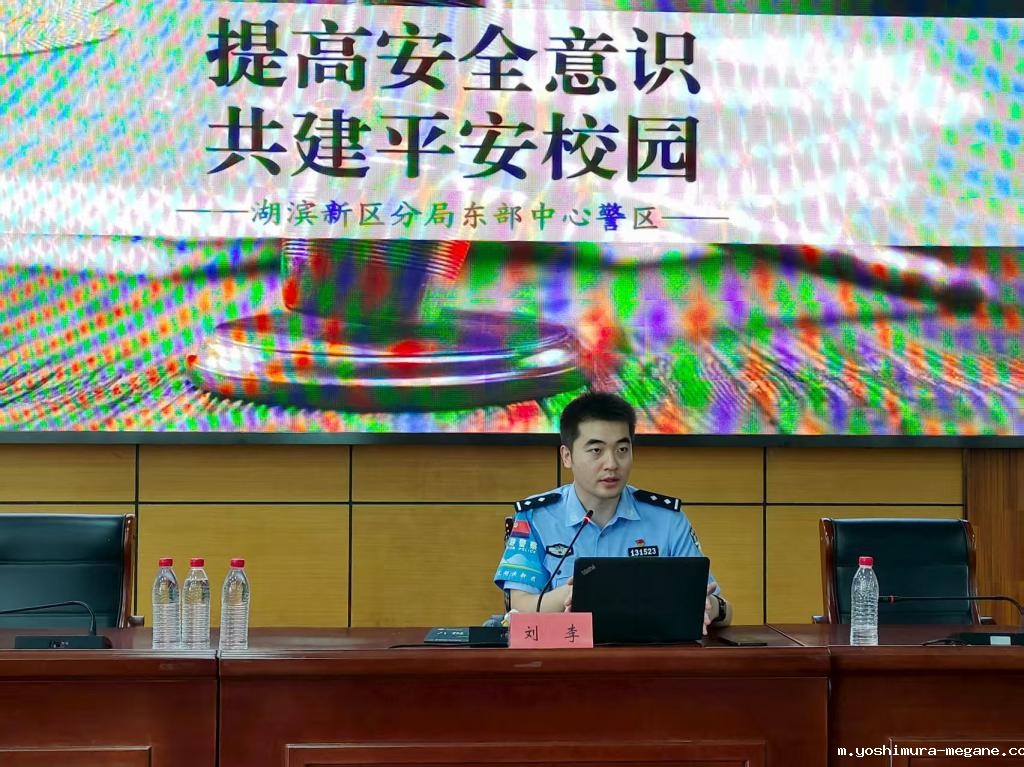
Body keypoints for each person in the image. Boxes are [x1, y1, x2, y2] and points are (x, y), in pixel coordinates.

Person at [494, 391, 731, 634]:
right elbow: (518, 607)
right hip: (566, 653)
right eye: (596, 450)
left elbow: (722, 607)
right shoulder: (535, 516)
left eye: (622, 450)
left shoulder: (667, 519)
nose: (612, 464)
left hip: (649, 654)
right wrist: (571, 595)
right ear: (567, 456)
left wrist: (712, 607)